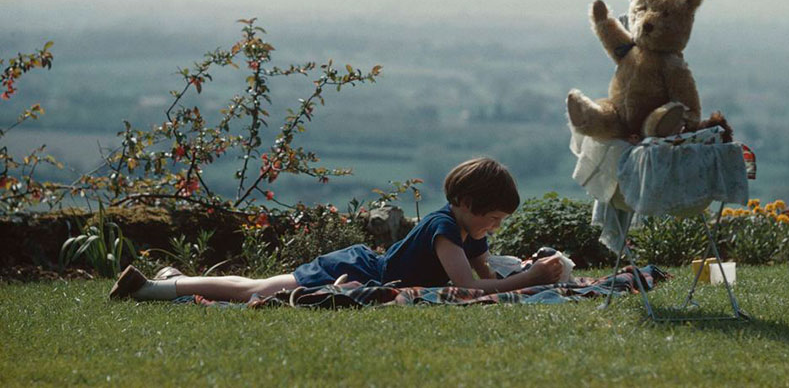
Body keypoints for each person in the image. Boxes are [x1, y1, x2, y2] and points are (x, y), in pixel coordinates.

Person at [109, 157, 565, 302]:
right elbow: (468, 287)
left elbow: (486, 277)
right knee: (262, 288)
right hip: (358, 268)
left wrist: (520, 272)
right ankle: (158, 287)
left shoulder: (473, 232)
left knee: (261, 291)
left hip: (372, 278)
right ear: (466, 203)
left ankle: (172, 282)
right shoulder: (444, 227)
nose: (494, 227)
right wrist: (534, 278)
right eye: (492, 217)